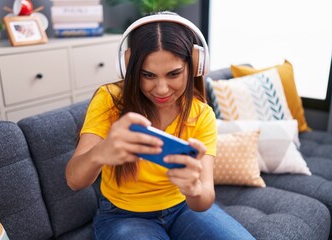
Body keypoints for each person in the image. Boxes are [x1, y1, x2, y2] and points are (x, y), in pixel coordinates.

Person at [65, 11, 255, 240]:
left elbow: (204, 199)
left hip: (183, 208)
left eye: (174, 74)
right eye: (148, 75)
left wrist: (194, 189)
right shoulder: (110, 100)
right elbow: (74, 181)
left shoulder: (202, 114)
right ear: (130, 67)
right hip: (123, 216)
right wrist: (100, 153)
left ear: (195, 65)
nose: (162, 89)